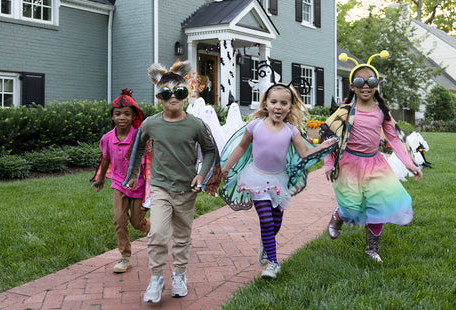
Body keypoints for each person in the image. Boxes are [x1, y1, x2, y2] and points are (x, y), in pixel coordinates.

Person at [220, 82, 337, 279]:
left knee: (275, 222)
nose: (278, 106)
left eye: (284, 103)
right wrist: (226, 167)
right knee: (266, 220)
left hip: (278, 181)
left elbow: (305, 152)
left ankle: (266, 245)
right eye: (273, 102)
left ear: (290, 107)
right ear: (265, 103)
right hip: (256, 178)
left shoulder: (291, 131)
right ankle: (273, 263)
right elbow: (241, 148)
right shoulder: (255, 126)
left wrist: (323, 145)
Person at [124, 61, 218, 303]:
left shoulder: (195, 124)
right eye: (166, 94)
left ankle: (179, 275)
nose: (173, 98)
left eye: (180, 92)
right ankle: (156, 278)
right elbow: (138, 148)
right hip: (161, 188)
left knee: (182, 235)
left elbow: (209, 151)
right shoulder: (151, 124)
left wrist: (202, 174)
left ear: (187, 95)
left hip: (187, 189)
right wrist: (133, 175)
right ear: (159, 97)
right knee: (157, 233)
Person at [321, 51, 423, 263]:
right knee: (352, 207)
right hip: (349, 163)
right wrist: (328, 164)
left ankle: (372, 249)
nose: (365, 85)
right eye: (359, 81)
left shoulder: (381, 111)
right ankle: (338, 216)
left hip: (375, 164)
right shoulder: (345, 111)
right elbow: (330, 139)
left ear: (377, 85)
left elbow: (394, 139)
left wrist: (410, 164)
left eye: (371, 80)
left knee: (379, 205)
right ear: (352, 86)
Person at [91, 89, 151, 273]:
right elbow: (106, 158)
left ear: (134, 116)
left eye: (127, 113)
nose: (122, 117)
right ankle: (125, 257)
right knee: (119, 220)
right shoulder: (107, 138)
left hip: (139, 186)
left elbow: (149, 162)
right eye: (117, 114)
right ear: (112, 117)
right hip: (118, 184)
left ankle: (157, 230)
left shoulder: (140, 138)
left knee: (137, 223)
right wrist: (100, 178)